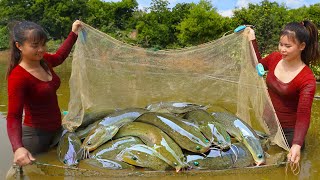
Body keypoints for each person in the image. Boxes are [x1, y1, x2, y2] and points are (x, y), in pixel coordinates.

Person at [6, 20, 83, 167]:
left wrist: (73, 33)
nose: (41, 49)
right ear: (19, 46)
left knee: (59, 174)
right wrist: (18, 148)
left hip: (57, 131)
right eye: (35, 45)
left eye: (43, 44)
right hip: (35, 138)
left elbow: (60, 56)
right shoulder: (18, 76)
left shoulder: (44, 60)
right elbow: (14, 116)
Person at [251, 20, 319, 164]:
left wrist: (296, 144)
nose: (282, 49)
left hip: (289, 134)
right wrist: (252, 39)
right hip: (269, 125)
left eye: (288, 46)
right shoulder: (274, 58)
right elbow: (257, 64)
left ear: (302, 46)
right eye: (281, 44)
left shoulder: (306, 79)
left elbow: (303, 115)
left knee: (287, 168)